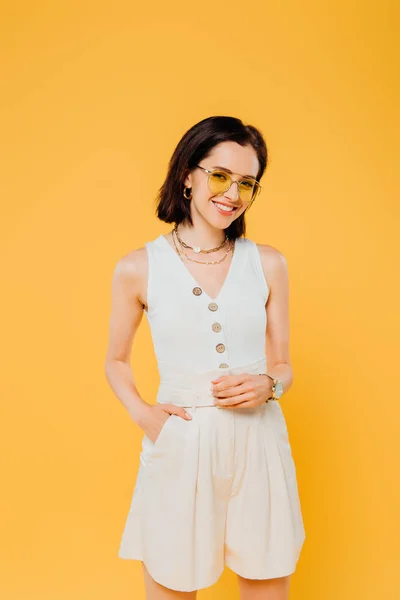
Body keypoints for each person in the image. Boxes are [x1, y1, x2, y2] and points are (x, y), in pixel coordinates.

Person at [104, 115, 306, 599]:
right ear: (187, 175)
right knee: (172, 584)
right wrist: (146, 416)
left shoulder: (269, 263)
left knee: (266, 581)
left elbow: (283, 364)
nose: (232, 194)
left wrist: (270, 385)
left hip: (258, 443)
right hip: (182, 442)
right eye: (220, 176)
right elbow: (115, 359)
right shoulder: (138, 267)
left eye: (246, 183)